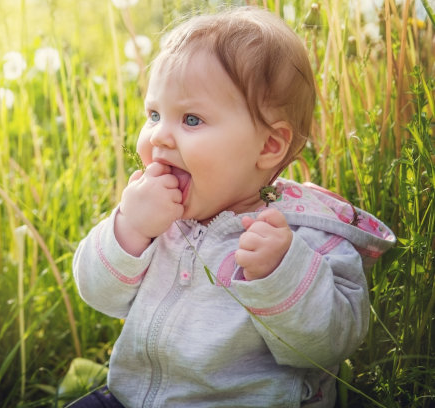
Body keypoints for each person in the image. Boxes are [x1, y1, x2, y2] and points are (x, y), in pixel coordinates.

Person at [71, 6, 395, 408]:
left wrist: (282, 273)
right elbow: (99, 294)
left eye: (191, 119)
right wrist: (129, 229)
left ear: (268, 146)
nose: (159, 137)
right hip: (132, 397)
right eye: (154, 114)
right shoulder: (154, 214)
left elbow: (331, 344)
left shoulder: (306, 235)